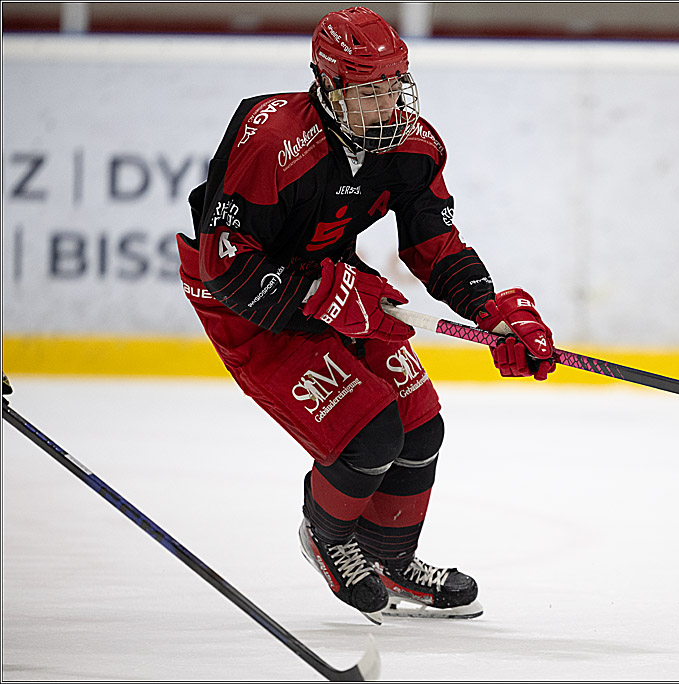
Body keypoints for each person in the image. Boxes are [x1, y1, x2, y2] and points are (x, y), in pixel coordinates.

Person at [175, 6, 555, 624]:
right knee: (370, 434)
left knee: (420, 426)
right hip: (247, 305)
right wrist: (325, 293)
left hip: (335, 281)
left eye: (394, 85)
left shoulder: (412, 146)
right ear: (327, 86)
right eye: (368, 91)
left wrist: (491, 312)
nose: (387, 105)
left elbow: (434, 244)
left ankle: (390, 561)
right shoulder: (271, 141)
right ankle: (328, 536)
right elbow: (227, 266)